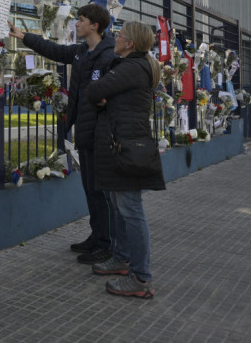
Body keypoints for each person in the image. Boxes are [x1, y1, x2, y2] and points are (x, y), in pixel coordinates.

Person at [8, 4, 115, 265]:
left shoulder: (108, 55)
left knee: (100, 190)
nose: (76, 24)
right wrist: (25, 37)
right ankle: (96, 235)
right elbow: (55, 51)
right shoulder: (81, 52)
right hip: (84, 130)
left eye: (81, 20)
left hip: (102, 132)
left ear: (95, 26)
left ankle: (107, 244)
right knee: (89, 187)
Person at [85, 21, 165, 299]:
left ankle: (141, 278)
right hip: (123, 144)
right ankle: (121, 259)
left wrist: (105, 98)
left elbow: (93, 91)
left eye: (119, 36)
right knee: (121, 208)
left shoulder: (132, 67)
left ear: (130, 43)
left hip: (127, 146)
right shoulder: (135, 66)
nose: (116, 38)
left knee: (131, 210)